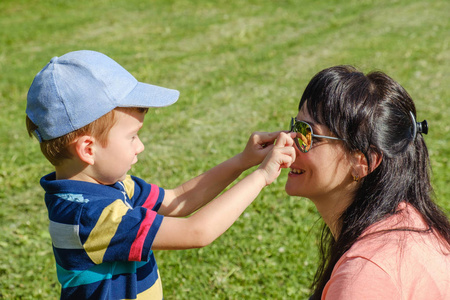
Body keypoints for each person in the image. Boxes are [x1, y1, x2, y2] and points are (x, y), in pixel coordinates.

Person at [25, 50, 296, 300]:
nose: (140, 146)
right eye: (132, 137)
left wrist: (243, 161)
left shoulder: (107, 186)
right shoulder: (90, 217)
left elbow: (176, 200)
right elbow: (196, 232)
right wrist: (262, 176)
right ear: (88, 149)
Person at [285, 65, 450, 299]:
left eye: (307, 134)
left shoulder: (362, 279)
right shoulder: (408, 219)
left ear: (363, 162)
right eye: (294, 127)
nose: (287, 143)